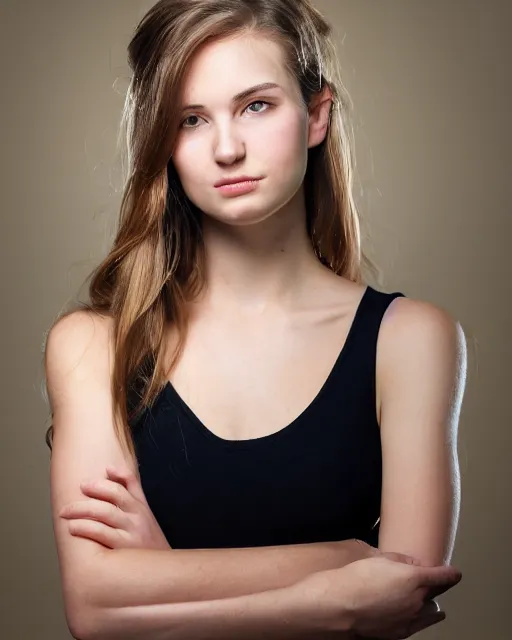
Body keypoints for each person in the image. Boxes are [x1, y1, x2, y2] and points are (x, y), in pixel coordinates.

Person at [44, 1, 467, 638]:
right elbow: (94, 610)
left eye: (257, 105)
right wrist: (337, 574)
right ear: (165, 142)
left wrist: (164, 574)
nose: (226, 148)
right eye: (190, 119)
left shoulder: (410, 340)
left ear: (318, 115)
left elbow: (404, 595)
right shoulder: (94, 346)